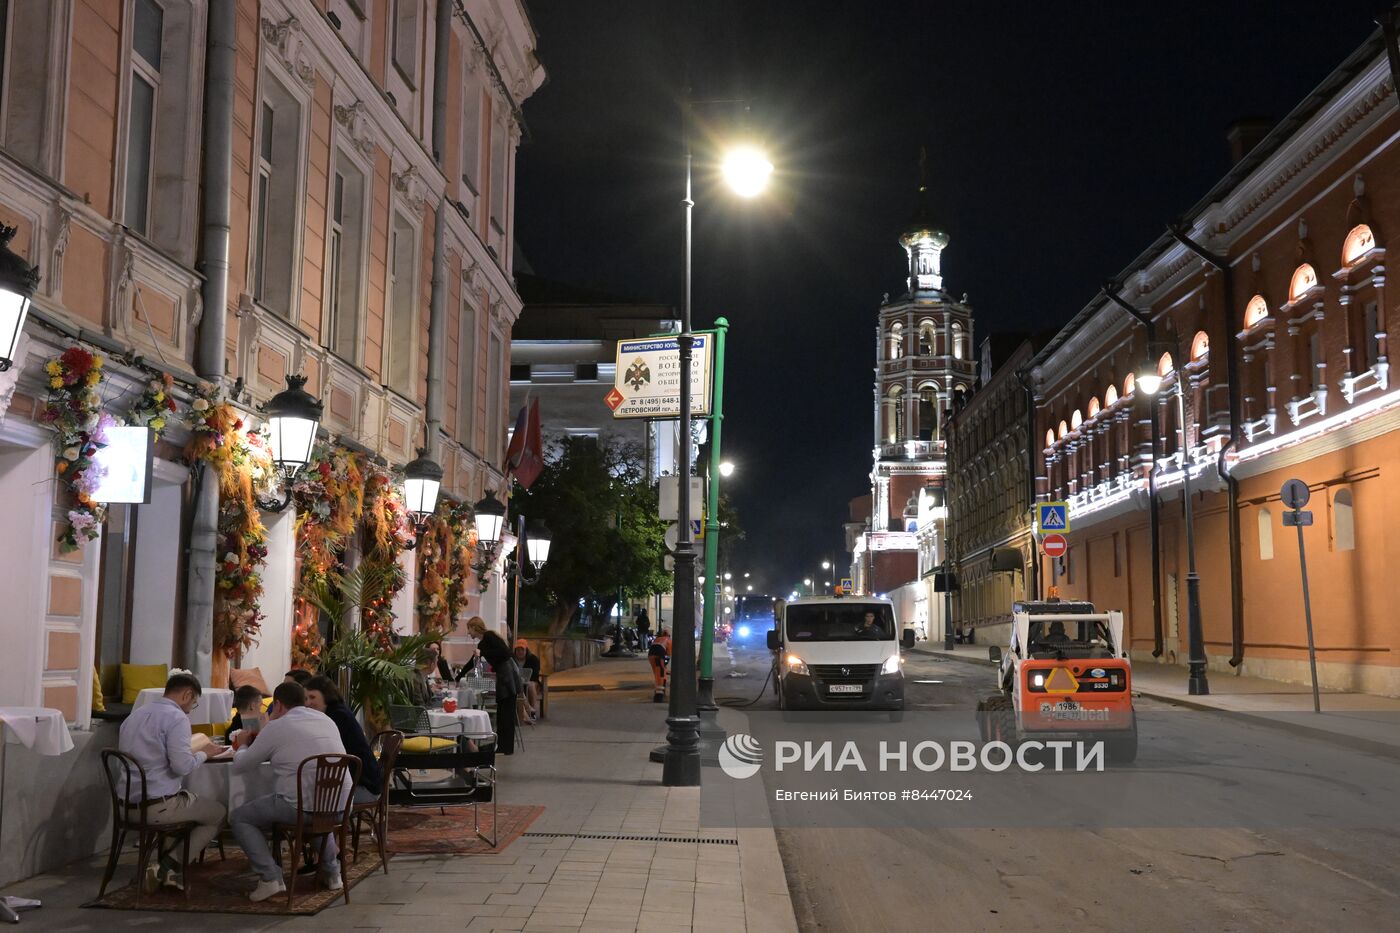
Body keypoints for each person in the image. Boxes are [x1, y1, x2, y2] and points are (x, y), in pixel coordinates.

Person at [229, 681, 351, 902]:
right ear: (303, 701)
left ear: (277, 705)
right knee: (318, 812)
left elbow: (241, 765)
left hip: (301, 807)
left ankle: (270, 877)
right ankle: (333, 873)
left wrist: (243, 744)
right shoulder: (326, 719)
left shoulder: (277, 726)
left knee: (239, 818)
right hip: (341, 806)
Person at [116, 672, 228, 892]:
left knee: (187, 806)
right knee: (219, 813)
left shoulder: (135, 715)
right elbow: (182, 766)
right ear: (187, 694)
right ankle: (166, 868)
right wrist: (206, 753)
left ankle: (168, 875)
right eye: (193, 703)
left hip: (125, 805)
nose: (190, 709)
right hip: (157, 807)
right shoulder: (176, 718)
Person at [304, 676, 381, 804]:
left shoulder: (337, 716)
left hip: (364, 788)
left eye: (312, 697)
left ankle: (320, 823)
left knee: (306, 799)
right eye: (306, 698)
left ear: (326, 696)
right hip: (363, 783)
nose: (307, 703)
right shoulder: (336, 711)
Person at [465, 617, 518, 755]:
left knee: (506, 712)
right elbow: (472, 662)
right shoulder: (483, 643)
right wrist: (458, 677)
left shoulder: (489, 636)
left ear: (474, 627)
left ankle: (505, 747)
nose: (468, 633)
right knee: (502, 711)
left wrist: (482, 653)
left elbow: (505, 652)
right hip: (503, 675)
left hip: (507, 676)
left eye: (469, 629)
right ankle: (503, 746)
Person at [513, 639, 542, 720]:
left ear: (526, 650)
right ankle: (525, 711)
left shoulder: (533, 659)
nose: (520, 652)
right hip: (517, 683)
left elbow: (535, 674)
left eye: (522, 649)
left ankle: (532, 712)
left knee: (531, 685)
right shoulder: (512, 660)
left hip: (531, 681)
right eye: (518, 650)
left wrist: (526, 680)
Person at [648, 629, 671, 703]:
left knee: (657, 673)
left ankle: (659, 692)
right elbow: (668, 654)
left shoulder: (657, 639)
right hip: (660, 654)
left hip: (651, 655)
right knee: (661, 673)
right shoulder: (668, 640)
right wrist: (665, 666)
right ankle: (659, 695)